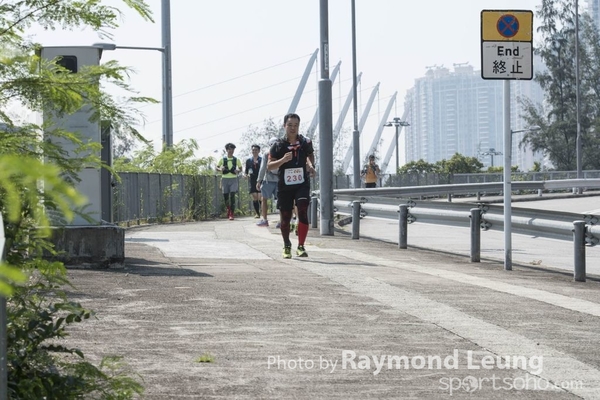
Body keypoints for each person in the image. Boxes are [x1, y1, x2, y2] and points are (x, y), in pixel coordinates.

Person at [268, 113, 316, 259]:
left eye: (296, 125)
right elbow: (270, 166)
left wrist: (311, 166)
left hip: (302, 183)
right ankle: (287, 245)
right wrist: (283, 160)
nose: (293, 128)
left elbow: (310, 155)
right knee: (285, 217)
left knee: (302, 210)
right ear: (284, 126)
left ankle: (301, 246)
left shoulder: (305, 142)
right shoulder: (278, 145)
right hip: (285, 186)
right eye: (290, 125)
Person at [256, 137, 279, 227]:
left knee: (264, 199)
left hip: (268, 180)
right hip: (280, 180)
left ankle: (265, 220)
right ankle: (282, 221)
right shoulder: (282, 152)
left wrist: (259, 180)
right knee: (281, 201)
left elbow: (262, 168)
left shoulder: (267, 153)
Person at [216, 143, 243, 220]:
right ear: (227, 150)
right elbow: (217, 167)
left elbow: (241, 168)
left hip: (233, 179)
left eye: (233, 149)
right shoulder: (222, 159)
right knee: (226, 196)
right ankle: (228, 208)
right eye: (230, 149)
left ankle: (232, 213)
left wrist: (238, 170)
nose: (231, 151)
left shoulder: (236, 159)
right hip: (225, 179)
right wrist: (220, 169)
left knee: (232, 195)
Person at [245, 144, 262, 218]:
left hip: (260, 179)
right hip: (252, 180)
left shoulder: (261, 160)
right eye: (253, 150)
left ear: (259, 151)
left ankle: (263, 211)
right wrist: (246, 175)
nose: (254, 151)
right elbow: (246, 171)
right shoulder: (248, 161)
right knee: (255, 197)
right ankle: (257, 213)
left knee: (260, 197)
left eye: (256, 150)